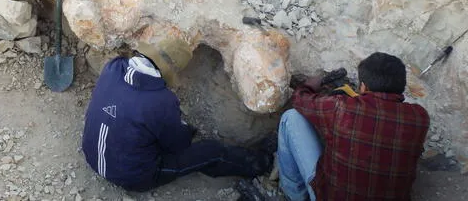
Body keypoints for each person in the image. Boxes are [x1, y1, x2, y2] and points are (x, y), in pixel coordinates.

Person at [81, 39, 276, 192]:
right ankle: (263, 163)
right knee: (210, 151)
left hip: (91, 156)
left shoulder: (113, 68)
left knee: (142, 129)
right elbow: (178, 146)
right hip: (134, 177)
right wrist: (186, 129)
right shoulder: (161, 100)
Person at [277, 52, 430, 201]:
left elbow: (299, 99)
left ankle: (295, 194)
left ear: (363, 87)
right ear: (401, 86)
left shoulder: (342, 107)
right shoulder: (420, 118)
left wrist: (308, 86)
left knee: (291, 118)